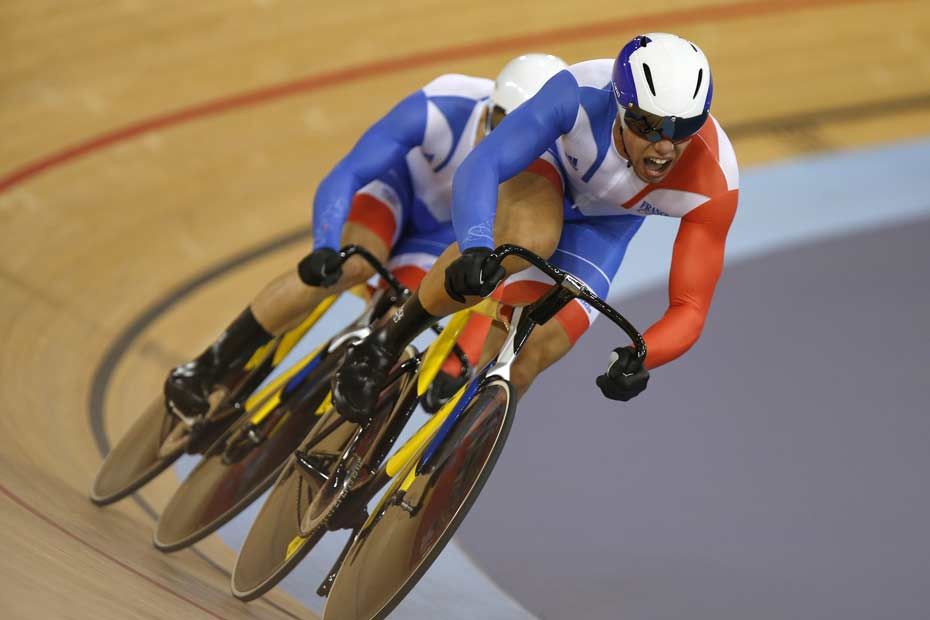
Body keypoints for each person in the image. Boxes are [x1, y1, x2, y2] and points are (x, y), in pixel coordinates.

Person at [333, 33, 739, 422]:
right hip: (547, 172)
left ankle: (447, 450)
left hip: (606, 227)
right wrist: (476, 246)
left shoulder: (715, 180)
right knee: (527, 242)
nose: (665, 145)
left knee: (532, 357)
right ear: (620, 107)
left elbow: (690, 307)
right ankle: (384, 343)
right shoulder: (578, 92)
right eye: (648, 125)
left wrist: (645, 354)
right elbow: (484, 162)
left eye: (683, 128)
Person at [163, 53, 570, 420]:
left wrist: (460, 356)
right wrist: (325, 247)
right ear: (491, 106)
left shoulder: (548, 174)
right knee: (351, 264)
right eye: (501, 124)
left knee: (406, 311)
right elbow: (349, 172)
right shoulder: (444, 106)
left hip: (443, 235)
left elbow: (505, 275)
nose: (506, 142)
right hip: (397, 193)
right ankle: (207, 366)